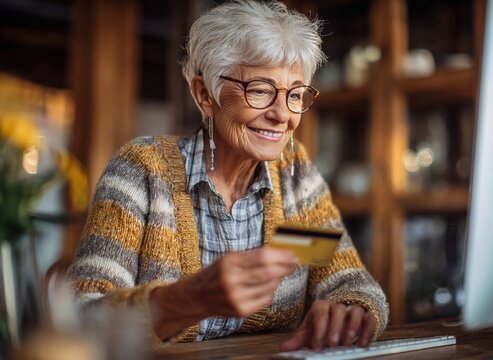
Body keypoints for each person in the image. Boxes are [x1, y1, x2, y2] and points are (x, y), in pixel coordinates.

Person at [67, 0, 388, 351]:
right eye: (261, 90)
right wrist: (187, 299)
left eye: (295, 94)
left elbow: (348, 279)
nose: (283, 114)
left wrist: (351, 308)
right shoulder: (143, 171)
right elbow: (81, 323)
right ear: (205, 95)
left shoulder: (294, 178)